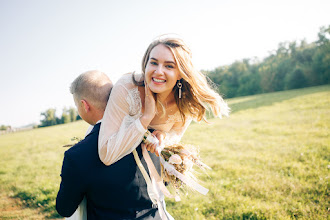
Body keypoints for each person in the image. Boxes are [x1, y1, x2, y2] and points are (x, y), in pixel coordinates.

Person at [98, 37, 230, 219]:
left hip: (146, 180)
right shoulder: (127, 87)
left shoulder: (185, 104)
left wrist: (164, 138)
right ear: (145, 64)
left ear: (181, 73)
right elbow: (106, 154)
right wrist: (145, 119)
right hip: (108, 175)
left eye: (169, 66)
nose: (158, 72)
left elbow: (176, 134)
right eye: (154, 63)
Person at [56, 70, 114, 219]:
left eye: (77, 106)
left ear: (84, 105)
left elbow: (65, 209)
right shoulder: (144, 134)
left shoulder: (76, 156)